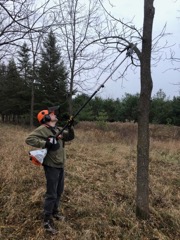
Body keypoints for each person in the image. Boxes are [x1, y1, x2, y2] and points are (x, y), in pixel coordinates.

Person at [25, 108, 75, 235]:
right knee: (51, 193)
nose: (54, 115)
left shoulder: (58, 129)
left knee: (59, 191)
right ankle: (47, 220)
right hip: (51, 165)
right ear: (46, 119)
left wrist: (70, 126)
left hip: (60, 164)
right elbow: (29, 139)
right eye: (51, 114)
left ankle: (55, 212)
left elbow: (69, 137)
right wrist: (45, 143)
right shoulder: (42, 129)